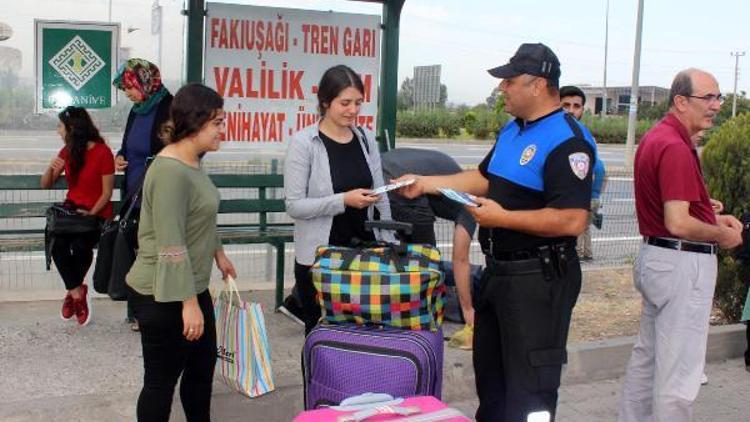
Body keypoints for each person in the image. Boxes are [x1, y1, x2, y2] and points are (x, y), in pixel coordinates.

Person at [396, 43, 596, 421]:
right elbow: (483, 178)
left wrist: (503, 219)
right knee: (492, 384)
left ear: (537, 85)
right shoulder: (513, 130)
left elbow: (572, 220)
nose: (502, 88)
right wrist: (425, 183)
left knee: (530, 392)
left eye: (509, 81)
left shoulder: (568, 140)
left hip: (539, 279)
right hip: (500, 274)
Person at [617, 69, 743, 422]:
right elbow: (678, 222)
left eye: (719, 97)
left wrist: (712, 216)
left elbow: (674, 211)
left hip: (661, 258)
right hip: (681, 263)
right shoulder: (674, 146)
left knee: (649, 361)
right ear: (681, 101)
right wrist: (724, 235)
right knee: (679, 372)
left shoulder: (660, 139)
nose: (717, 106)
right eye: (710, 98)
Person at [126, 83, 237, 422]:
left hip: (190, 284)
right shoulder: (171, 170)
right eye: (217, 122)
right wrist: (189, 304)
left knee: (201, 373)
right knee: (160, 383)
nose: (222, 129)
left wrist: (218, 254)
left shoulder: (191, 162)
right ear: (195, 122)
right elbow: (171, 243)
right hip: (161, 293)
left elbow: (199, 217)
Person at [284, 64, 395, 335]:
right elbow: (294, 206)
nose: (353, 110)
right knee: (320, 337)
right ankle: (316, 380)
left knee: (361, 336)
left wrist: (391, 243)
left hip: (363, 254)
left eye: (358, 103)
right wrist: (343, 200)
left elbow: (380, 195)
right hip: (320, 259)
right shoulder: (304, 143)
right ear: (325, 102)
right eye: (345, 103)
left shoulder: (366, 138)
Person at [381, 148, 477, 348]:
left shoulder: (460, 177)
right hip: (400, 182)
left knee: (413, 255)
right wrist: (469, 312)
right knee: (427, 261)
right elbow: (460, 260)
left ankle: (400, 303)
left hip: (384, 167)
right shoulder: (472, 203)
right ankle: (417, 321)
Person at [112, 58, 173, 332]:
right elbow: (127, 145)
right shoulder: (137, 109)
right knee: (138, 247)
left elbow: (175, 148)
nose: (128, 94)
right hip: (134, 191)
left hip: (158, 190)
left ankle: (158, 310)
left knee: (157, 250)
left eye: (130, 88)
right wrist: (119, 157)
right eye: (125, 90)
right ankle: (140, 311)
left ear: (145, 82)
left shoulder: (168, 107)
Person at [41, 106, 115, 326]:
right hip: (72, 213)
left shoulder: (102, 152)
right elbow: (45, 185)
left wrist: (91, 213)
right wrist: (50, 168)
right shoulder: (67, 151)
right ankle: (76, 292)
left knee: (82, 246)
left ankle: (72, 291)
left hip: (95, 214)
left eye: (60, 126)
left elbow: (106, 192)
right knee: (58, 245)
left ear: (72, 128)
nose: (58, 131)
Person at [560, 85, 607, 261]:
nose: (571, 111)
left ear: (582, 110)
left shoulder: (585, 137)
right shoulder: (546, 131)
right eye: (566, 105)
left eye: (576, 106)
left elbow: (591, 173)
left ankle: (581, 254)